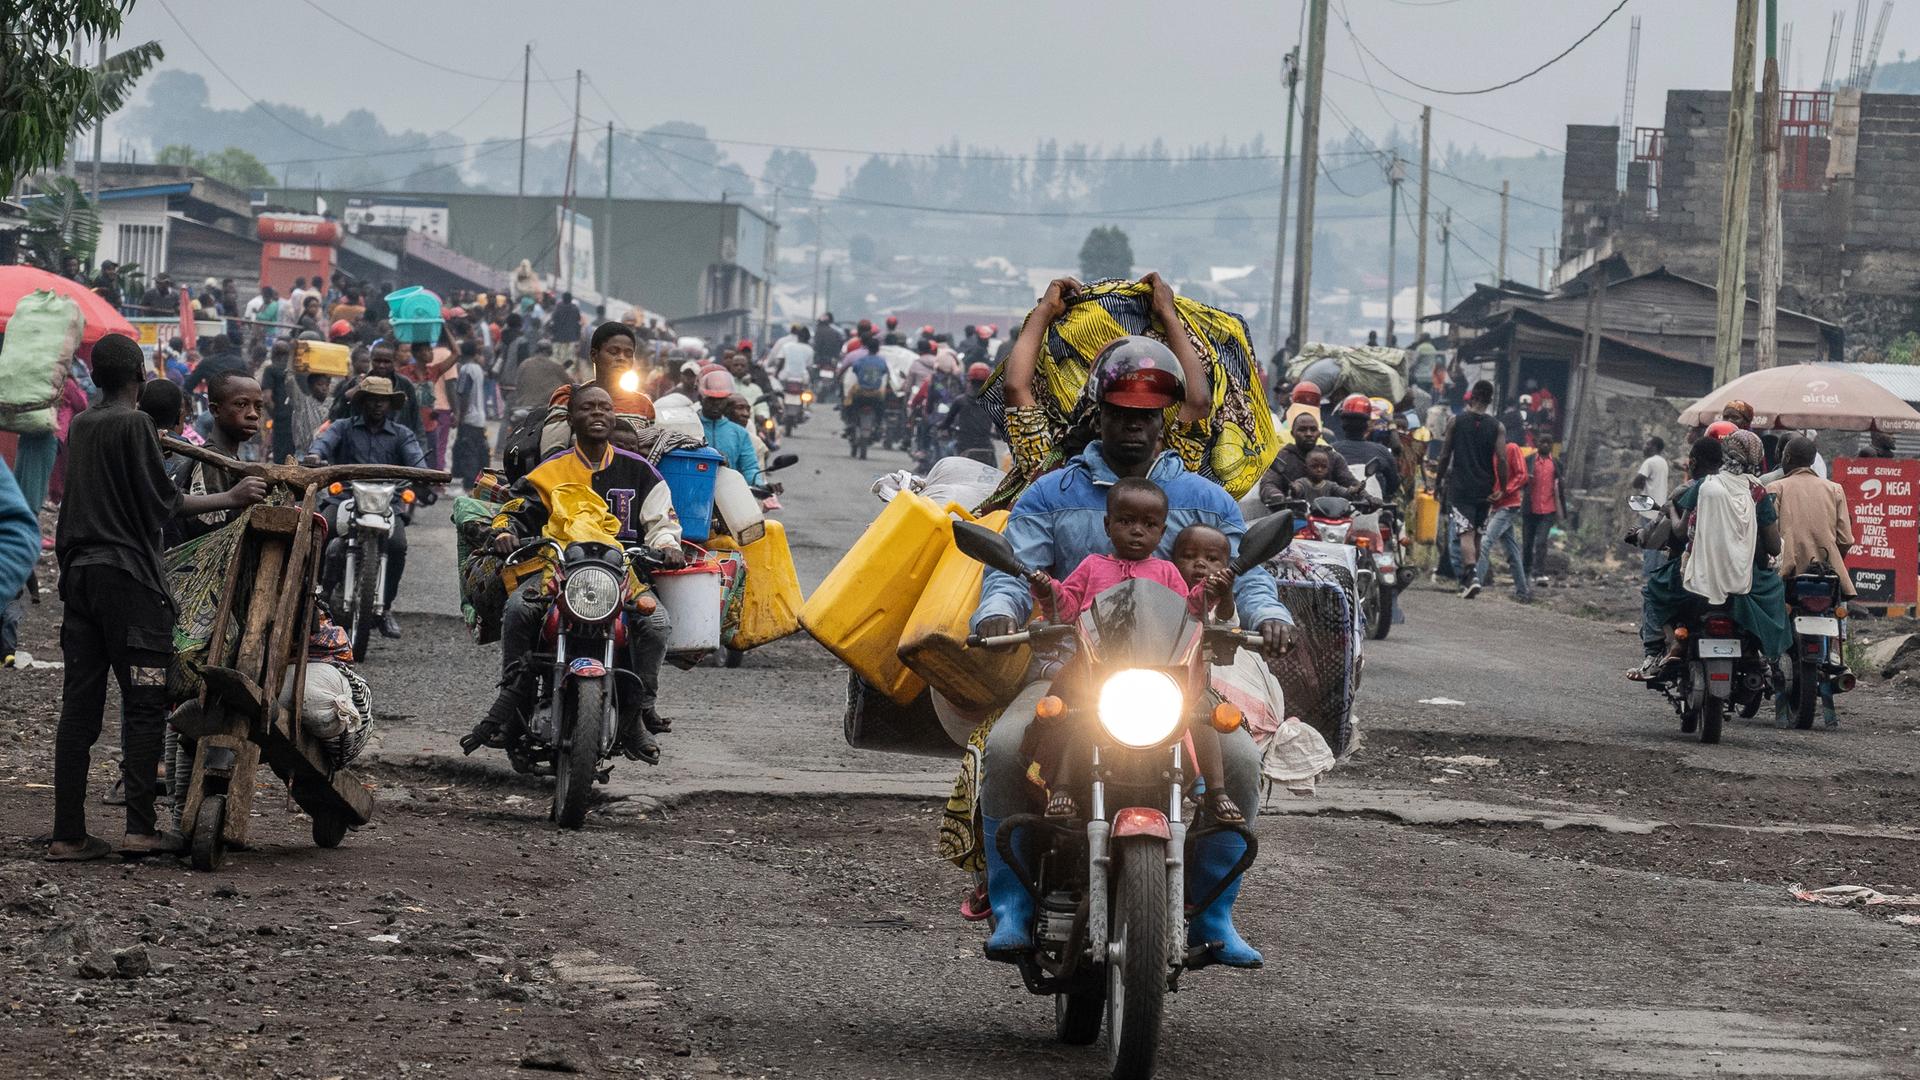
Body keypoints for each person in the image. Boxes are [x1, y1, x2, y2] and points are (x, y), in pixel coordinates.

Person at [970, 338, 1294, 969]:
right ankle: (1013, 905)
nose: (1133, 425)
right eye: (1121, 411)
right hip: (1070, 675)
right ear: (1099, 411)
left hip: (1177, 683)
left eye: (1146, 415)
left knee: (1242, 762)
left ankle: (1214, 912)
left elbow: (1248, 575)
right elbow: (1014, 572)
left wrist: (1270, 617)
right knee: (1008, 749)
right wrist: (1000, 613)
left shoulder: (1207, 499)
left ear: (1163, 419)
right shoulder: (1051, 493)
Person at [48, 334, 266, 861]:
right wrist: (233, 496)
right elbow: (163, 503)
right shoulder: (136, 424)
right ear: (139, 377)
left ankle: (67, 834)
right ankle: (139, 829)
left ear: (95, 377)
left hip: (79, 577)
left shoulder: (82, 424)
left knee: (79, 711)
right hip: (128, 582)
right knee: (145, 705)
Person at [469, 386, 685, 760]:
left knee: (657, 624)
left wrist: (668, 546)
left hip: (624, 572)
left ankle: (638, 711)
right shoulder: (549, 472)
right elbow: (516, 510)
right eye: (588, 408)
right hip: (558, 570)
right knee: (520, 609)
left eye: (605, 407)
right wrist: (505, 532)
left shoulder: (642, 472)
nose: (598, 414)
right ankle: (512, 699)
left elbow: (662, 523)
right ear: (571, 418)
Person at [1021, 479, 1240, 824]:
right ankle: (1060, 783)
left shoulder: (1167, 571)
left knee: (1201, 709)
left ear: (1162, 531)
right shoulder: (1092, 565)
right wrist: (1047, 587)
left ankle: (1214, 789)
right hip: (1095, 671)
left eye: (1149, 525)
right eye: (1126, 521)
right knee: (1071, 710)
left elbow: (1188, 612)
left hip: (1159, 672)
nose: (1137, 531)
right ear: (1108, 525)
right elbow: (1065, 607)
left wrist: (1211, 590)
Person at [305, 376, 428, 638]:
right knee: (320, 533)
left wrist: (424, 475)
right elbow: (323, 443)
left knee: (397, 546)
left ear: (390, 405)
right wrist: (316, 455)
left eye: (382, 401)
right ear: (362, 402)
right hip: (345, 498)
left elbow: (417, 461)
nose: (377, 406)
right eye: (372, 400)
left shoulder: (402, 435)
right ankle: (312, 597)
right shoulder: (342, 427)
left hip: (386, 504)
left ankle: (385, 609)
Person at [1431, 379, 1506, 597]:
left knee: (1465, 533)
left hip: (1461, 487)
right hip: (1486, 488)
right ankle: (1468, 582)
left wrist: (1438, 481)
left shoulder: (1456, 421)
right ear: (1491, 399)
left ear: (1472, 397)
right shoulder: (1497, 426)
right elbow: (1502, 458)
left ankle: (1471, 575)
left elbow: (1445, 455)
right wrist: (1503, 486)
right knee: (1478, 535)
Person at [175, 371, 265, 543]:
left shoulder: (229, 458)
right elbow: (208, 531)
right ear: (215, 410)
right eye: (241, 404)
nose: (253, 414)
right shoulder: (212, 461)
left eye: (258, 406)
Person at [1767, 435, 1856, 596]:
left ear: (1786, 457)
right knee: (1838, 614)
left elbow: (1770, 536)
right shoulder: (1834, 489)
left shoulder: (1775, 488)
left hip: (1786, 576)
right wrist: (1832, 559)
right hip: (1827, 574)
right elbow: (1846, 540)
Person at [1473, 437, 1533, 602]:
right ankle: (1522, 591)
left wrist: (1504, 491)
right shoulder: (1488, 455)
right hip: (1497, 506)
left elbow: (1522, 475)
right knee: (1512, 551)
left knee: (1485, 543)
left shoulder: (1512, 448)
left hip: (1509, 504)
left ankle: (1473, 584)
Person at [1259, 410, 1356, 507]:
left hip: (1332, 515)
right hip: (1292, 515)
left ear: (1319, 433)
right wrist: (1275, 495)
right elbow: (1268, 483)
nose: (1308, 434)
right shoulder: (1282, 457)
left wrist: (1364, 495)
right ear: (1293, 433)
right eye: (1302, 429)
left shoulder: (1333, 457)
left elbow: (1349, 481)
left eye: (1313, 429)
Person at [1327, 393, 1400, 500]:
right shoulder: (1382, 452)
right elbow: (1392, 485)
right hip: (1374, 510)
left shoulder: (1329, 450)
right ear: (1367, 424)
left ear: (1342, 424)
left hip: (1336, 510)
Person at [696, 370, 763, 485]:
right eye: (711, 400)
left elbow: (749, 467)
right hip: (693, 489)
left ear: (727, 401)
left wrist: (759, 485)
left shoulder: (739, 433)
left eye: (720, 400)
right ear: (701, 399)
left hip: (728, 494)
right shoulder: (690, 425)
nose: (716, 404)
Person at [940, 362, 1000, 465]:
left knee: (946, 456)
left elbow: (946, 423)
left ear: (969, 380)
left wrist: (941, 427)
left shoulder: (960, 401)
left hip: (963, 447)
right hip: (985, 447)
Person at [1522, 439, 1565, 585]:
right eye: (1542, 442)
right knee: (1527, 542)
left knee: (1541, 542)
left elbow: (1560, 486)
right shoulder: (1528, 461)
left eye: (1548, 443)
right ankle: (1525, 570)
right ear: (1537, 444)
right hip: (1530, 507)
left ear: (1552, 446)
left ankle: (1538, 572)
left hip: (1548, 509)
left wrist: (1562, 510)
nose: (1545, 445)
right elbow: (1520, 479)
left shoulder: (1556, 464)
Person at [452, 341, 490, 489]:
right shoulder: (478, 369)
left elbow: (464, 394)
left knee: (468, 452)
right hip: (479, 417)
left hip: (469, 417)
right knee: (478, 449)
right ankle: (478, 481)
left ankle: (468, 484)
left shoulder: (466, 370)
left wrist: (460, 416)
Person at [548, 291, 582, 372]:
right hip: (571, 338)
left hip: (558, 338)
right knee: (569, 360)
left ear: (562, 299)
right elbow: (578, 321)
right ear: (571, 299)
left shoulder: (558, 308)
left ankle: (557, 375)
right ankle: (568, 376)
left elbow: (553, 322)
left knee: (557, 359)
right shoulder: (575, 309)